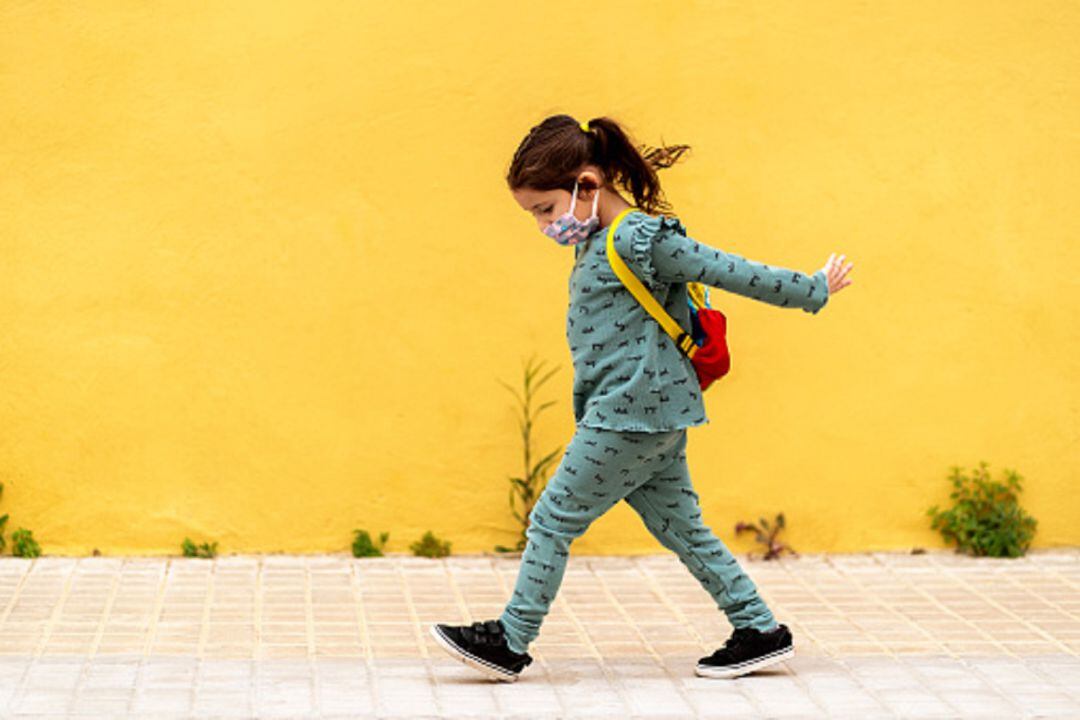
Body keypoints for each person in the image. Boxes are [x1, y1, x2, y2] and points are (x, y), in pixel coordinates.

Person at [430, 114, 854, 682]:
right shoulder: (597, 242)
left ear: (586, 185)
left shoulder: (638, 238)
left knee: (553, 518)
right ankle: (758, 630)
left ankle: (511, 638)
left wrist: (812, 288)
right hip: (647, 410)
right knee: (681, 526)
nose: (542, 226)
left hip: (630, 413)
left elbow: (729, 270)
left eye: (545, 210)